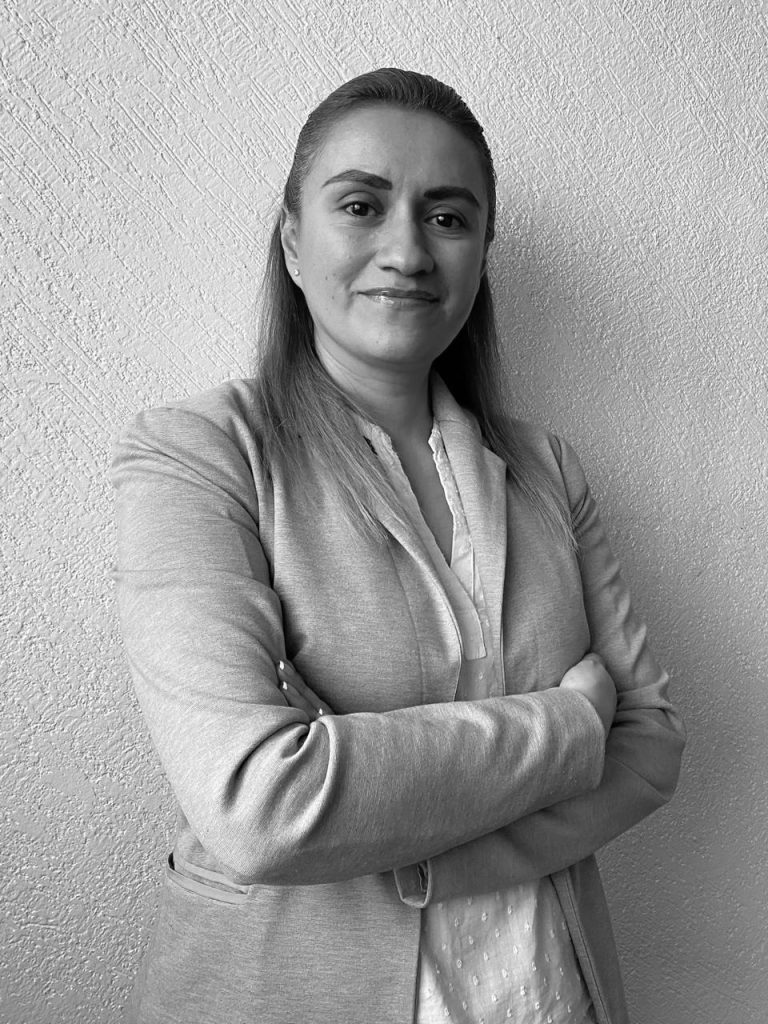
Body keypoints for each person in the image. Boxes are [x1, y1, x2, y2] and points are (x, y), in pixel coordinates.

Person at [111, 68, 685, 1024]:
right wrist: (573, 725)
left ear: (481, 255)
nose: (408, 250)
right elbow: (259, 803)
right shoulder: (198, 456)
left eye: (448, 218)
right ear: (293, 240)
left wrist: (402, 833)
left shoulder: (547, 468)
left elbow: (653, 746)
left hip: (542, 987)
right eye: (361, 205)